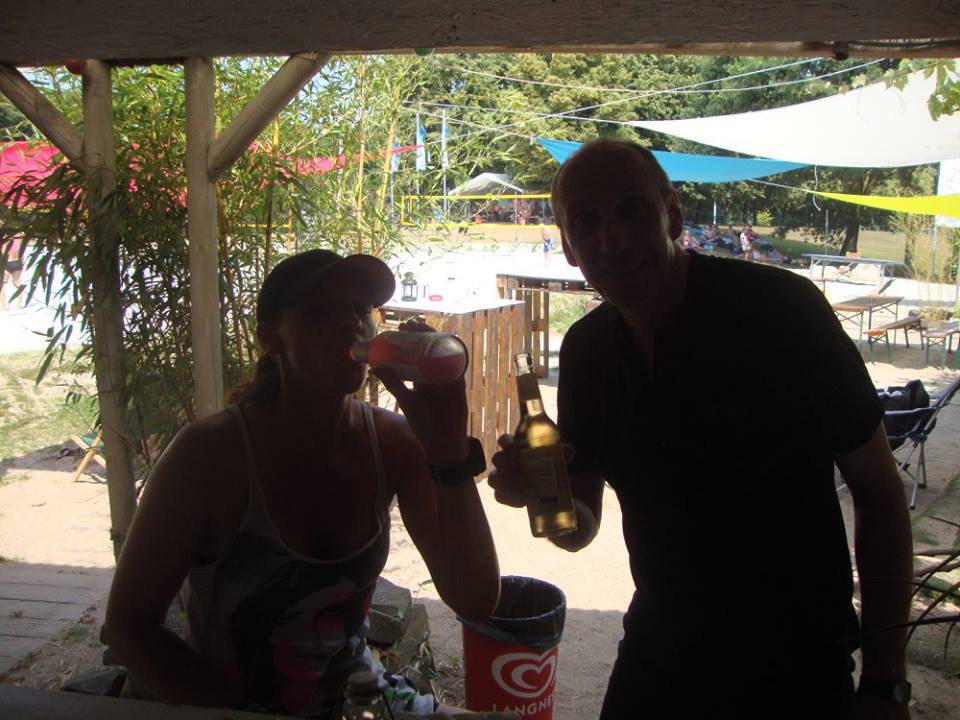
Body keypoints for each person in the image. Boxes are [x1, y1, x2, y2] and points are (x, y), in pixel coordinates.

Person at [489, 139, 913, 719]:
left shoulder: (780, 311)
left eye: (632, 209)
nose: (612, 239)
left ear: (673, 215)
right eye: (585, 221)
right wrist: (544, 498)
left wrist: (886, 683)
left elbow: (879, 490)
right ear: (567, 245)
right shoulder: (587, 352)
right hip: (660, 649)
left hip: (796, 662)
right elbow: (577, 528)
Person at [105, 249, 500, 718]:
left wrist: (448, 453)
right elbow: (129, 627)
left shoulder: (393, 442)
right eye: (322, 310)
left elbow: (475, 598)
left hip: (360, 699)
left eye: (360, 310)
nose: (351, 324)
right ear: (270, 337)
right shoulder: (210, 456)